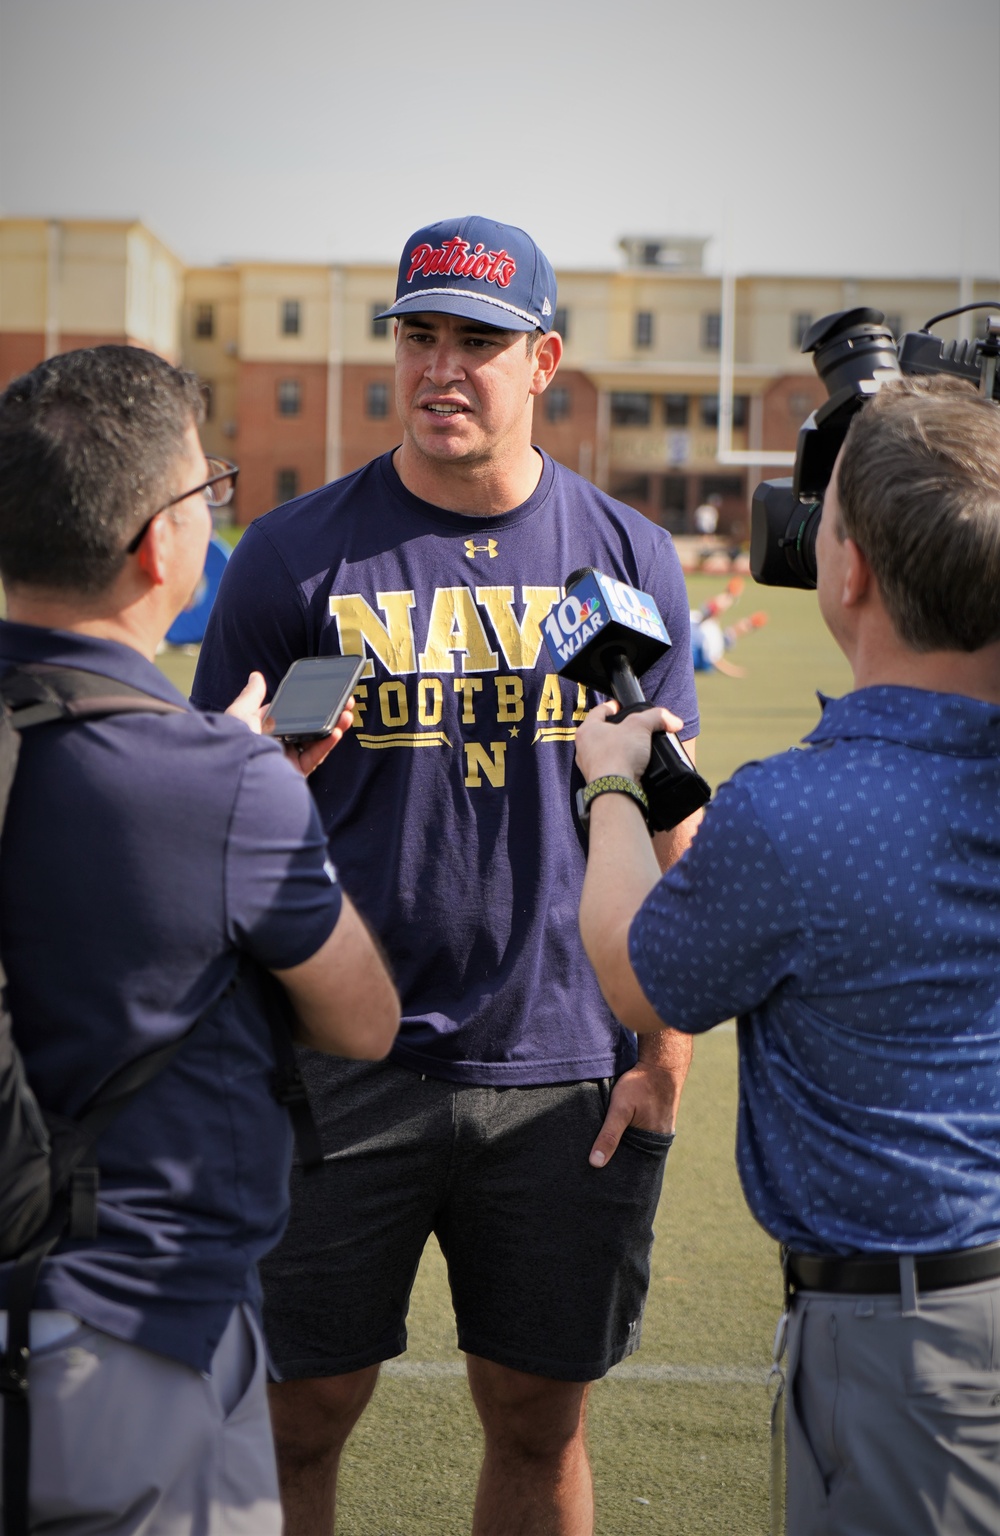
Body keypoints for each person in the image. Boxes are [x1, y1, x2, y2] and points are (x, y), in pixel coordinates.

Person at [192, 214, 703, 1536]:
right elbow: (212, 817)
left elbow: (663, 824)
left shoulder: (619, 561)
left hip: (557, 1064)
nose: (442, 366)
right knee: (297, 1413)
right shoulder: (301, 556)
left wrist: (663, 1049)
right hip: (332, 1066)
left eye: (477, 340)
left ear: (543, 361)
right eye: (420, 333)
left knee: (540, 1416)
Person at [574, 375, 1000, 1536]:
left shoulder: (795, 811)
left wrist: (610, 781)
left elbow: (633, 971)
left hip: (912, 1342)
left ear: (847, 569)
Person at [0, 346, 400, 1534]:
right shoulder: (223, 782)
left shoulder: (206, 768)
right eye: (207, 490)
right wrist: (253, 792)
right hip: (128, 1332)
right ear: (158, 543)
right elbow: (362, 1020)